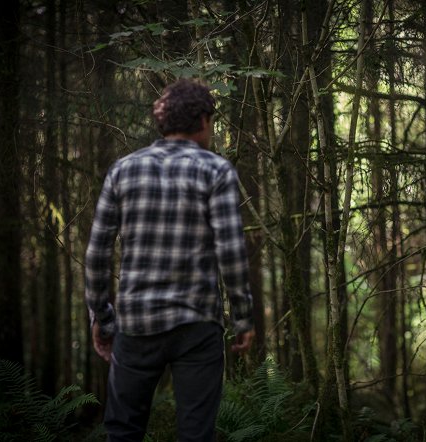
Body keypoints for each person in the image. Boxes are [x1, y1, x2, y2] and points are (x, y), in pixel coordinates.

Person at [85, 78, 255, 442]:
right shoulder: (216, 170)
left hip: (136, 324)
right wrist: (243, 318)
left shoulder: (123, 170)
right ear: (205, 121)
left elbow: (97, 251)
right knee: (196, 434)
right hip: (197, 325)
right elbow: (231, 252)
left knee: (122, 432)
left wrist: (101, 316)